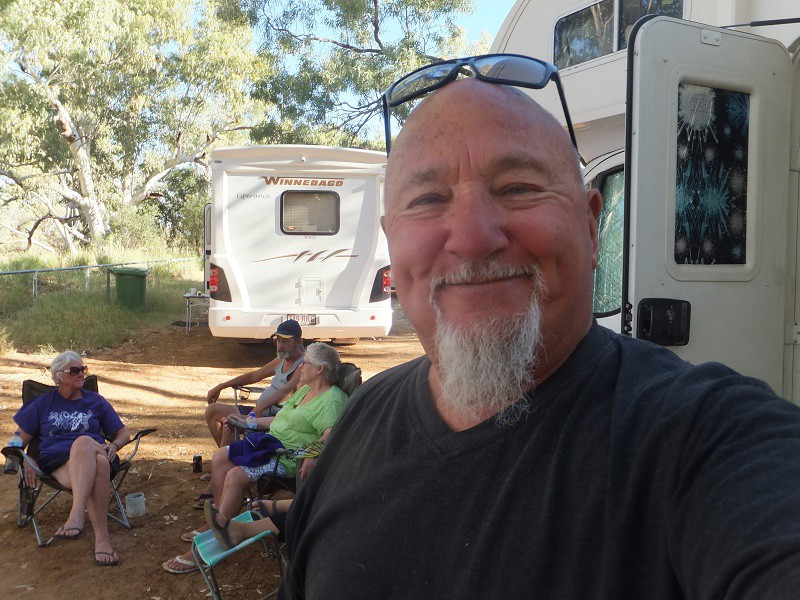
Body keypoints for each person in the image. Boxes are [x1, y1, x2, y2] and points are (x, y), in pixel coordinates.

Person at [278, 64, 800, 598]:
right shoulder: (362, 417)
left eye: (518, 188)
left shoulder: (703, 436)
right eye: (428, 199)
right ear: (392, 242)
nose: (473, 238)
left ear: (591, 227)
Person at [163, 342, 347, 574]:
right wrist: (248, 421)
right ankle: (220, 523)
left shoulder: (331, 400)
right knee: (220, 456)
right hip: (267, 443)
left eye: (306, 362)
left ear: (320, 369)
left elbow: (332, 435)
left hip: (287, 457)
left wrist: (312, 454)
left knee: (235, 475)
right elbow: (280, 420)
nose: (301, 366)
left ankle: (209, 544)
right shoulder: (305, 390)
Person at [13, 350, 131, 567]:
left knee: (85, 443)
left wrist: (114, 445)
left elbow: (123, 434)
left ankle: (77, 515)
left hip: (97, 452)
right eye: (74, 370)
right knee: (97, 461)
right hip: (58, 462)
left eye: (83, 369)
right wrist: (26, 459)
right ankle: (102, 541)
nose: (81, 374)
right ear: (59, 376)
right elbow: (17, 440)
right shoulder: (42, 403)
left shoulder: (95, 401)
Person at [194, 319, 304, 508]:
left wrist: (256, 412)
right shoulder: (281, 359)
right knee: (213, 411)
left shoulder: (303, 366)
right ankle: (223, 468)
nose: (280, 345)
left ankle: (218, 481)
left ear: (299, 341)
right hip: (259, 410)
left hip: (271, 417)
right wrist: (222, 386)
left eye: (285, 341)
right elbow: (255, 375)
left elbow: (283, 393)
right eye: (278, 340)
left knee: (230, 424)